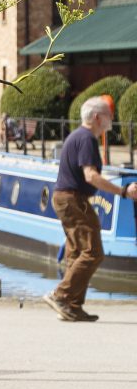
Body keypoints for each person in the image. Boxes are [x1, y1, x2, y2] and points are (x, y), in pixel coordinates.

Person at [45, 97, 137, 322]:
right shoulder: (86, 138)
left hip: (66, 198)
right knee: (93, 252)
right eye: (109, 115)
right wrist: (123, 192)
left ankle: (72, 306)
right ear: (97, 117)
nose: (112, 119)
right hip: (74, 199)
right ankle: (61, 295)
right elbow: (91, 176)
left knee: (77, 253)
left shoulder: (77, 136)